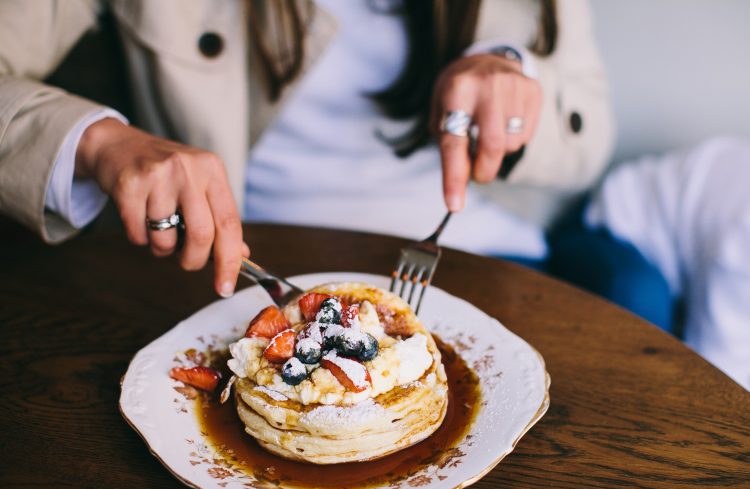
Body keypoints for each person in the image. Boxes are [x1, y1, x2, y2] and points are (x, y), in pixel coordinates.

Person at [0, 0, 614, 297]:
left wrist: (512, 72)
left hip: (466, 254)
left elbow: (590, 145)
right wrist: (98, 140)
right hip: (243, 265)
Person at [565, 137, 750, 391]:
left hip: (687, 263)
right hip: (610, 227)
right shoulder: (743, 235)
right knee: (646, 323)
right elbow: (721, 375)